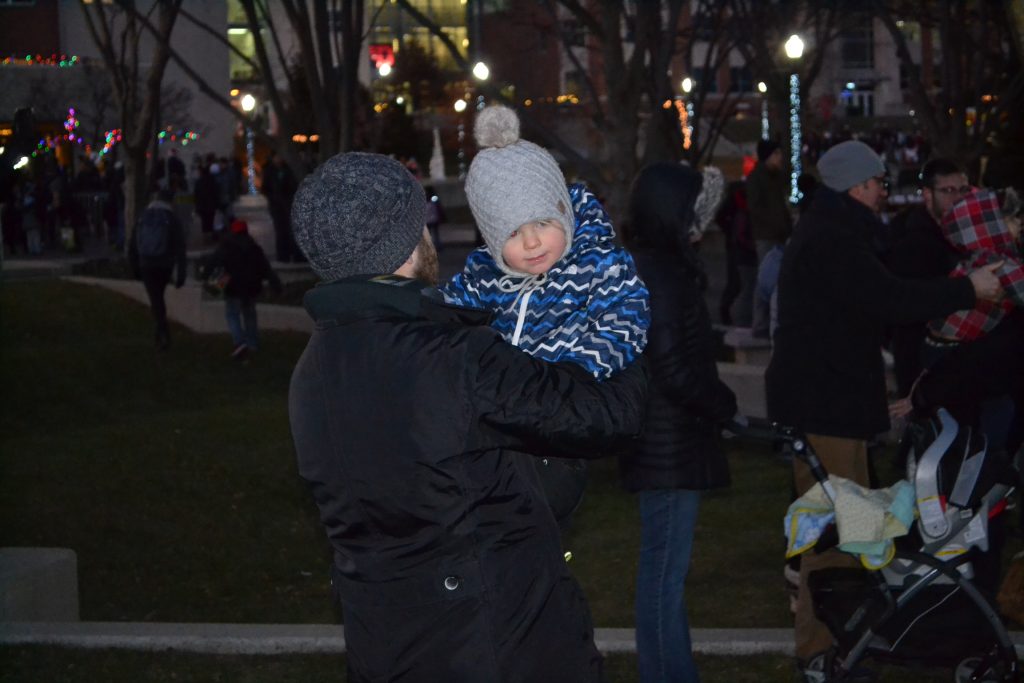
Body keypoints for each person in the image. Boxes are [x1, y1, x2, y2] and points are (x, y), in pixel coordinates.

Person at [287, 151, 648, 683]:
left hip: (386, 648)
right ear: (409, 240)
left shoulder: (311, 371)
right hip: (497, 646)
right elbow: (609, 415)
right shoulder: (452, 358)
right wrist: (614, 310)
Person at [764, 140, 1005, 679]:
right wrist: (969, 289)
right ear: (856, 186)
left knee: (844, 524)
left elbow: (885, 289)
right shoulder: (832, 239)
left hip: (831, 402)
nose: (882, 193)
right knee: (834, 528)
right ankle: (821, 650)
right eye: (876, 184)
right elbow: (888, 297)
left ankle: (838, 640)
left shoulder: (835, 231)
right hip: (826, 406)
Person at [439, 104, 650, 524]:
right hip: (502, 434)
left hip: (560, 426)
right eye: (513, 233)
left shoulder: (596, 263)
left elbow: (624, 320)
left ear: (564, 213)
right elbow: (444, 314)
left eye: (541, 222)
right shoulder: (484, 276)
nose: (532, 242)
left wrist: (578, 370)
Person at [621, 161, 738, 683]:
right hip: (668, 444)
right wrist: (721, 402)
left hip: (665, 442)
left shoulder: (657, 265)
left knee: (665, 575)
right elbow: (670, 365)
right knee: (663, 577)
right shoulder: (661, 272)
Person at [887, 158, 972, 395]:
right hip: (922, 362)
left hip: (959, 358)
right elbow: (909, 303)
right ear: (927, 194)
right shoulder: (911, 241)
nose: (958, 198)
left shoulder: (966, 232)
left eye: (963, 190)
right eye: (948, 191)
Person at [199, 219, 282, 359]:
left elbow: (212, 264)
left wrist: (205, 277)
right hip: (251, 289)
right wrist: (276, 285)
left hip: (233, 289)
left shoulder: (225, 247)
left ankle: (239, 342)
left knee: (232, 315)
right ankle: (252, 344)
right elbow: (266, 269)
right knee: (250, 316)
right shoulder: (254, 248)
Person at [129, 188, 187, 350]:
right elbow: (180, 247)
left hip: (146, 264)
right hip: (165, 264)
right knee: (158, 297)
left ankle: (162, 333)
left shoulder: (143, 216)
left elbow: (133, 245)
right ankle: (162, 333)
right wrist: (181, 272)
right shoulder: (172, 218)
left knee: (156, 299)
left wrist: (135, 268)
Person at [745, 138, 792, 337]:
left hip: (778, 233)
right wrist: (776, 223)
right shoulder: (758, 177)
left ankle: (768, 320)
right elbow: (756, 208)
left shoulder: (775, 177)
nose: (780, 157)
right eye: (777, 154)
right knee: (764, 277)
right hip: (766, 234)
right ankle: (760, 322)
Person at [261, 153, 299, 262]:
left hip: (289, 204)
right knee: (280, 230)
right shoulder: (269, 171)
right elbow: (265, 188)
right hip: (276, 206)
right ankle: (283, 256)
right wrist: (273, 197)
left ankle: (295, 255)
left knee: (291, 230)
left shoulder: (288, 169)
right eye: (277, 157)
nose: (279, 159)